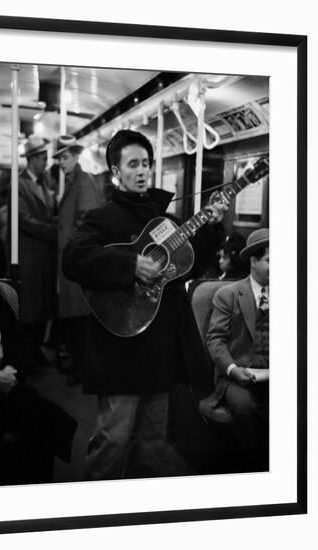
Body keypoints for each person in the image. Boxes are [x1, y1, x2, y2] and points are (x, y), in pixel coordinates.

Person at [62, 129, 228, 480]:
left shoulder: (165, 221)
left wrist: (211, 229)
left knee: (153, 443)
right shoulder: (100, 218)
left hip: (159, 348)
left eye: (146, 164)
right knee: (112, 440)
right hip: (119, 347)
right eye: (133, 164)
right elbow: (74, 259)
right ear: (115, 171)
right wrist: (129, 265)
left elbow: (189, 264)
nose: (142, 171)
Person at [206, 228, 269, 471]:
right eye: (269, 261)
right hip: (238, 377)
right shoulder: (228, 295)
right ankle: (255, 471)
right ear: (253, 261)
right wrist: (232, 369)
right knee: (245, 408)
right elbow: (216, 340)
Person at [53, 135, 104, 385]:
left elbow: (86, 220)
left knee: (79, 319)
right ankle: (78, 366)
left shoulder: (83, 182)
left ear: (75, 156)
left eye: (64, 157)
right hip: (70, 258)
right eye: (59, 158)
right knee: (74, 319)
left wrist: (71, 243)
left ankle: (82, 369)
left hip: (76, 259)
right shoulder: (74, 181)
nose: (60, 162)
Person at [18, 135, 57, 372]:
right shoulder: (19, 184)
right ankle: (29, 353)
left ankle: (35, 351)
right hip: (30, 256)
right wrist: (54, 231)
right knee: (31, 308)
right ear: (32, 159)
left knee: (42, 305)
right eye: (43, 158)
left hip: (44, 256)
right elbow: (25, 221)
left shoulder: (44, 184)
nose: (45, 163)